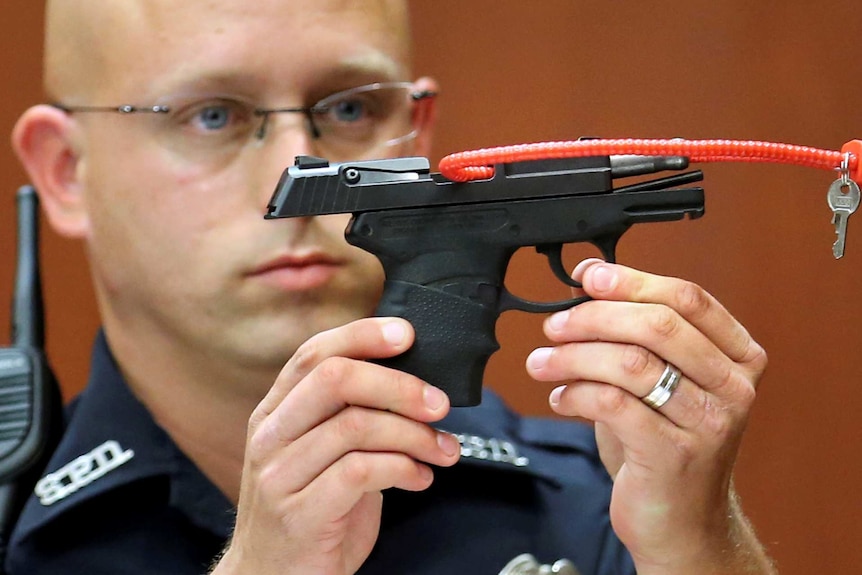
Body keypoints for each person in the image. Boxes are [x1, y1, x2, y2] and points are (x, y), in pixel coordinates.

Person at [6, 1, 776, 573]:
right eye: (212, 116)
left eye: (351, 108)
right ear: (66, 171)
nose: (297, 168)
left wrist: (704, 548)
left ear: (417, 129)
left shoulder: (610, 501)